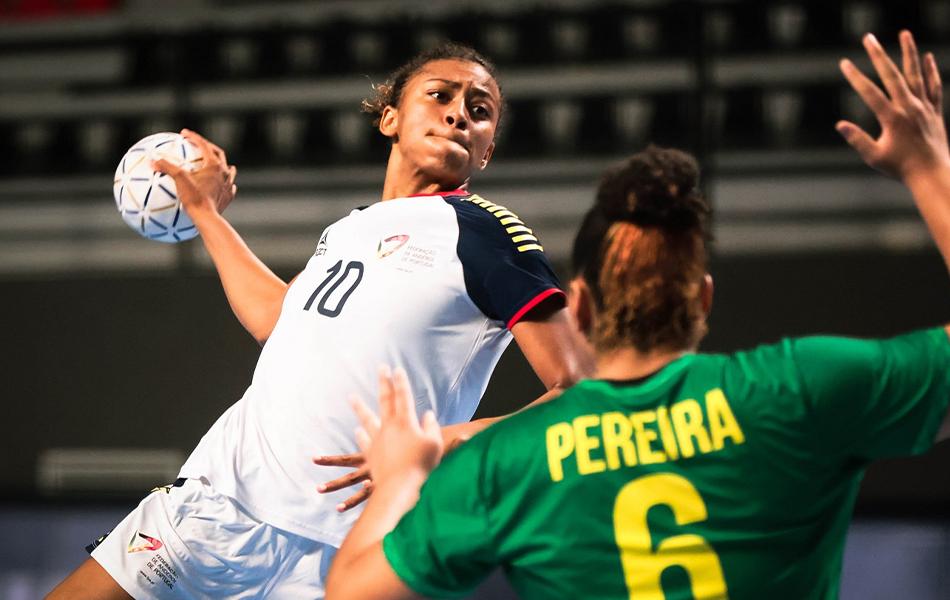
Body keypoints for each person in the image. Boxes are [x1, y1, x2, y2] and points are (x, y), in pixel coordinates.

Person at [325, 31, 950, 599]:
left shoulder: (508, 463)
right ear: (703, 299)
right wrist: (927, 168)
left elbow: (354, 592)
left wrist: (402, 479)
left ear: (581, 307)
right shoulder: (798, 390)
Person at [47, 42, 592, 599]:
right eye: (439, 95)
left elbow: (581, 391)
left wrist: (442, 442)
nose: (459, 114)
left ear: (486, 151)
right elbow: (275, 320)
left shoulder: (488, 234)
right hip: (218, 508)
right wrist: (205, 214)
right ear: (390, 118)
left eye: (479, 110)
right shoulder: (349, 229)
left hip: (347, 551)